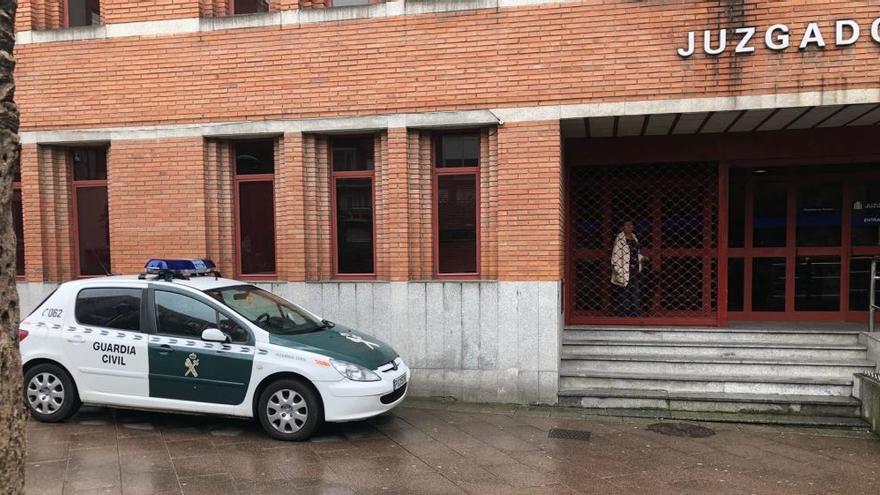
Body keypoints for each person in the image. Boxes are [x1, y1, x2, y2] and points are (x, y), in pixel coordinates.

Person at [611, 220, 648, 317]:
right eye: (627, 225)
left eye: (631, 225)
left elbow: (635, 253)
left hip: (634, 268)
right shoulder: (620, 240)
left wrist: (642, 258)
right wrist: (618, 271)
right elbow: (615, 257)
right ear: (622, 227)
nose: (629, 226)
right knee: (625, 291)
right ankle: (624, 313)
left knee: (635, 291)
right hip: (624, 268)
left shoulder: (634, 238)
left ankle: (635, 312)